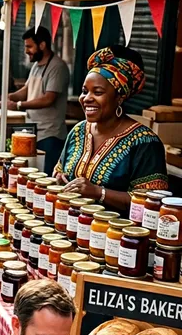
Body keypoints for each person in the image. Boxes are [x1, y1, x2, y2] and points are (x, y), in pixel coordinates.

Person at [55, 47, 168, 213]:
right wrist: (60, 179)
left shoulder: (144, 142)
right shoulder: (78, 131)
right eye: (85, 91)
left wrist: (98, 192)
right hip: (70, 228)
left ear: (119, 97)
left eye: (98, 92)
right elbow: (59, 171)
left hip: (117, 235)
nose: (87, 99)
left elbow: (152, 203)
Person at [5, 27, 70, 175]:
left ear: (42, 45)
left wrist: (18, 105)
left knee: (45, 177)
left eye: (29, 46)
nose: (26, 51)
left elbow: (49, 98)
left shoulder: (57, 67)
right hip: (33, 131)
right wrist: (10, 97)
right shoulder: (36, 64)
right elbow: (27, 89)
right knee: (30, 174)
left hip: (50, 134)